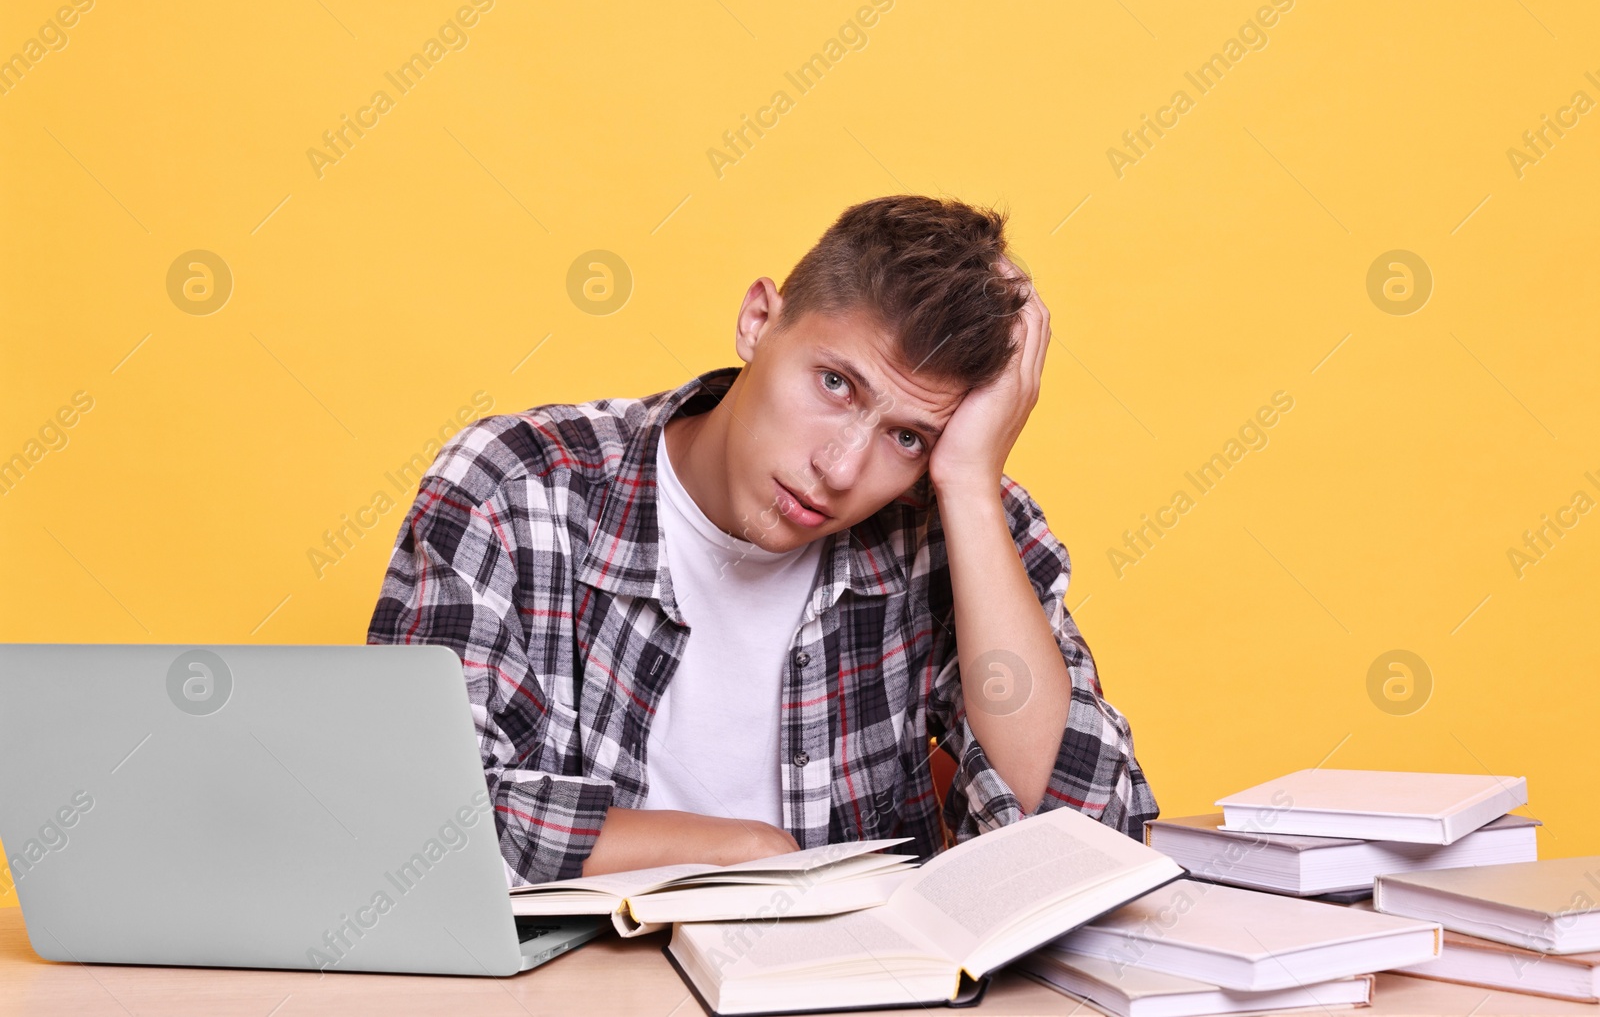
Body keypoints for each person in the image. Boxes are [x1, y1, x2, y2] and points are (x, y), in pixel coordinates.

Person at [366, 195, 1158, 886]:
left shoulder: (954, 518)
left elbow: (1085, 843)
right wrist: (744, 849)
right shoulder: (519, 486)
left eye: (908, 436)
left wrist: (972, 490)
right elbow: (414, 820)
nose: (841, 467)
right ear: (758, 319)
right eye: (835, 382)